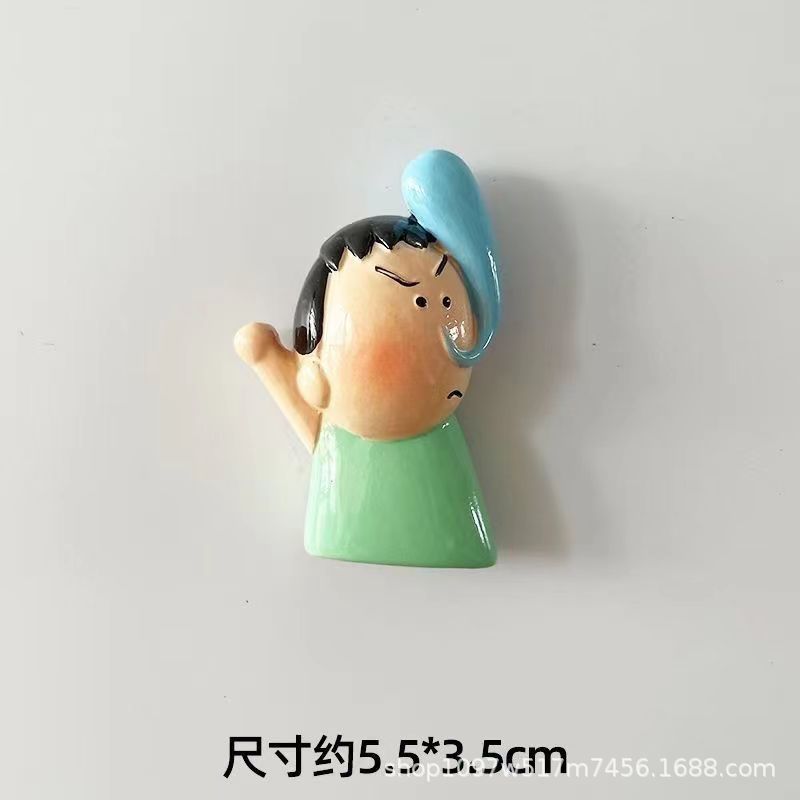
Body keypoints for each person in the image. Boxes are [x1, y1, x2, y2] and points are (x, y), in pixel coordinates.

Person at [234, 150, 501, 567]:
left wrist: (264, 359)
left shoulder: (427, 441)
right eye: (418, 302)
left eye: (446, 304)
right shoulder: (336, 435)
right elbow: (312, 425)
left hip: (447, 525)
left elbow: (310, 425)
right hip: (341, 523)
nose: (445, 349)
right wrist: (266, 361)